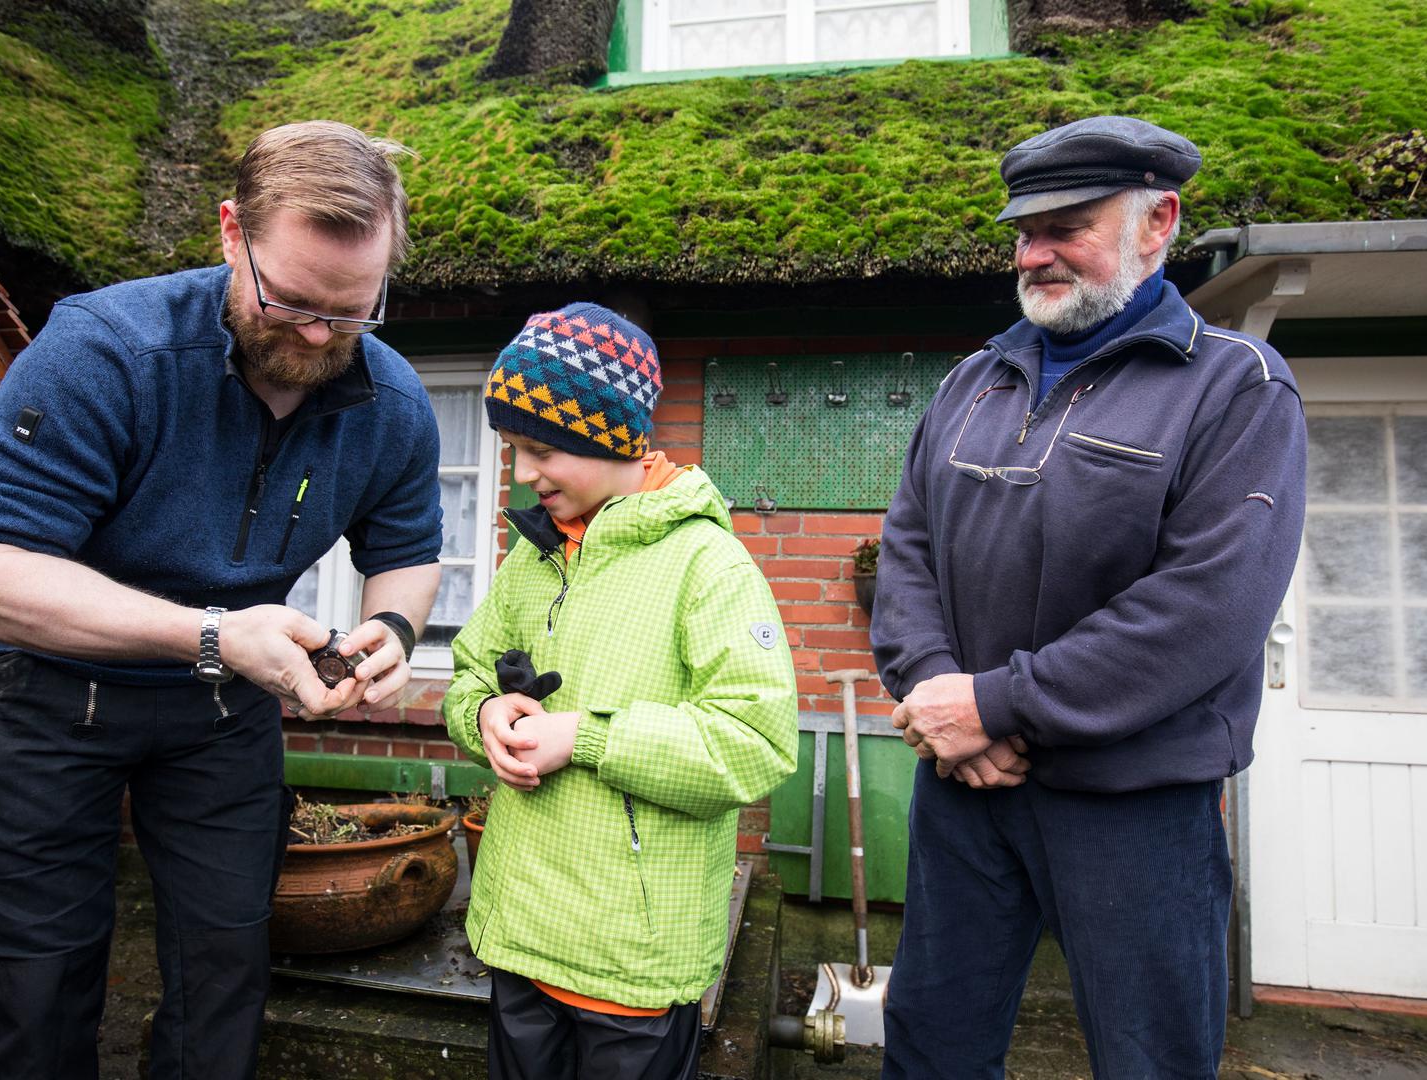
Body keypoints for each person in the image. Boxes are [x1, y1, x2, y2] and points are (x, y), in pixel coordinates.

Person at [0, 121, 444, 1080]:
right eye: (289, 299)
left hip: (223, 714)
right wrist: (210, 634)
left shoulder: (395, 402)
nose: (321, 335)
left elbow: (410, 550)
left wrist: (392, 626)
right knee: (36, 976)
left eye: (355, 311)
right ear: (228, 232)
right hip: (50, 695)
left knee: (225, 964)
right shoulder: (105, 350)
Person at [872, 115, 1308, 1079]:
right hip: (966, 789)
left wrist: (995, 703)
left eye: (1067, 224)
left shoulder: (1234, 389)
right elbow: (905, 552)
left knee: (1148, 1059)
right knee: (931, 1046)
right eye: (1024, 231)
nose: (1035, 252)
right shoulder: (971, 383)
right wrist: (942, 693)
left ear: (1159, 223)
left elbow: (1206, 607)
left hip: (1135, 809)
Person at [442, 303, 798, 1079]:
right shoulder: (531, 557)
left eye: (540, 449)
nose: (522, 473)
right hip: (520, 935)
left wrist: (588, 737)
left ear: (610, 436)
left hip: (629, 963)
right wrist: (485, 713)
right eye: (512, 450)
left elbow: (755, 745)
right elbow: (468, 671)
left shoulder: (710, 566)